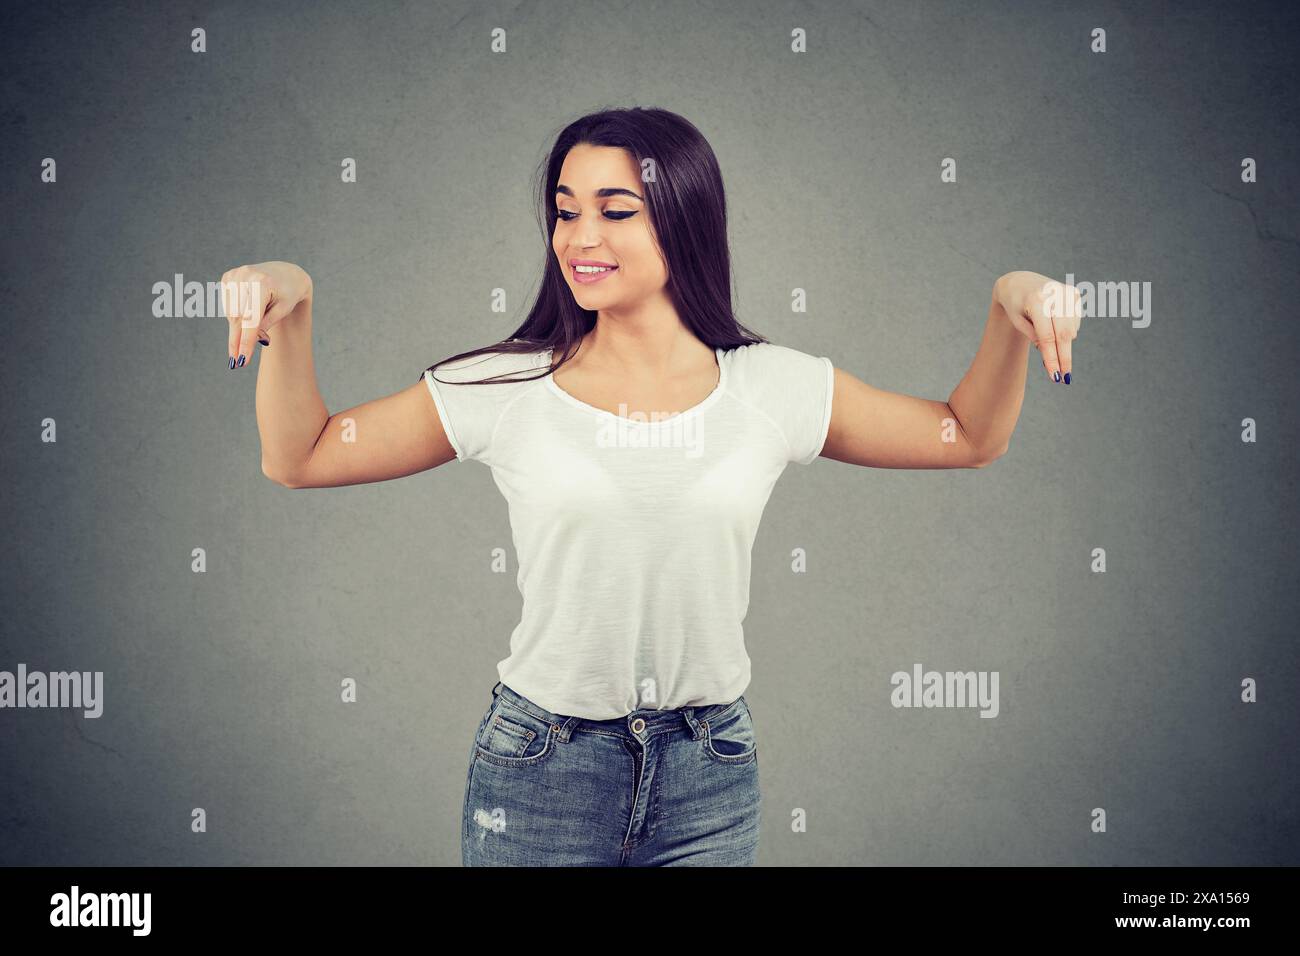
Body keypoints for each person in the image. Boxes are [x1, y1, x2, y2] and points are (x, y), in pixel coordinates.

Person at [219, 107, 1082, 866]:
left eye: (614, 211)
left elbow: (966, 436)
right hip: (540, 770)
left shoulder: (772, 386)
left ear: (684, 218)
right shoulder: (504, 385)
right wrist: (291, 317)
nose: (578, 237)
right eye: (564, 212)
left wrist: (1008, 307)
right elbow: (303, 455)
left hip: (710, 770)